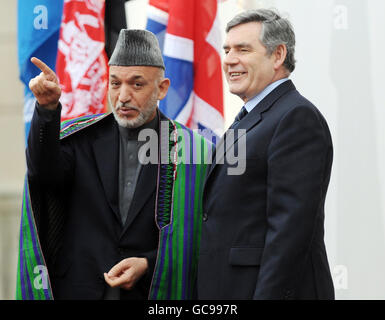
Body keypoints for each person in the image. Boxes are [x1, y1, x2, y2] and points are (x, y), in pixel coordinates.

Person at [16, 29, 212, 300]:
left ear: (162, 88)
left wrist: (149, 263)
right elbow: (42, 175)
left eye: (137, 84)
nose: (123, 96)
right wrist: (47, 110)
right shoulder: (79, 138)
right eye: (116, 83)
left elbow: (204, 236)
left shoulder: (193, 151)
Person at [197, 9, 335, 299]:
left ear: (278, 55)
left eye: (243, 49)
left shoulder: (296, 117)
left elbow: (289, 235)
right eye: (227, 50)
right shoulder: (250, 117)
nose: (229, 59)